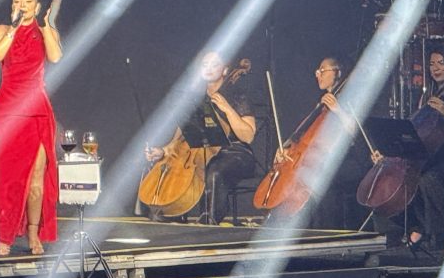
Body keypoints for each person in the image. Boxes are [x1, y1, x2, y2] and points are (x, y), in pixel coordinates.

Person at [0, 0, 62, 256]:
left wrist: (48, 27)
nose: (22, 5)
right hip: (8, 110)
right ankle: (5, 236)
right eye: (17, 0)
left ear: (37, 7)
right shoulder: (1, 30)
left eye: (28, 1)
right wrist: (14, 27)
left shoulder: (45, 32)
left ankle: (33, 233)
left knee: (37, 178)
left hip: (37, 109)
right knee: (8, 178)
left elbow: (55, 56)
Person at [146, 51, 257, 225]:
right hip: (203, 148)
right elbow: (184, 130)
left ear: (225, 70)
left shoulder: (236, 94)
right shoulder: (196, 97)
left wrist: (227, 108)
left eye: (214, 64)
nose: (209, 68)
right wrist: (166, 149)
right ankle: (172, 212)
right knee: (170, 165)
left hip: (235, 152)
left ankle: (209, 221)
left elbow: (248, 136)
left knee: (214, 170)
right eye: (205, 65)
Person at [265, 57, 368, 229]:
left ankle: (320, 228)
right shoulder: (322, 104)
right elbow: (303, 134)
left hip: (348, 159)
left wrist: (338, 110)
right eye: (317, 71)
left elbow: (357, 132)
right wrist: (287, 146)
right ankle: (289, 221)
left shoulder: (349, 100)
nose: (318, 74)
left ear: (337, 73)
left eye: (323, 70)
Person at [405, 45, 444, 250]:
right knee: (410, 175)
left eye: (441, 63)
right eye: (432, 64)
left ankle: (441, 235)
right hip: (436, 155)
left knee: (430, 179)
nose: (435, 68)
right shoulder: (429, 94)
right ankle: (421, 227)